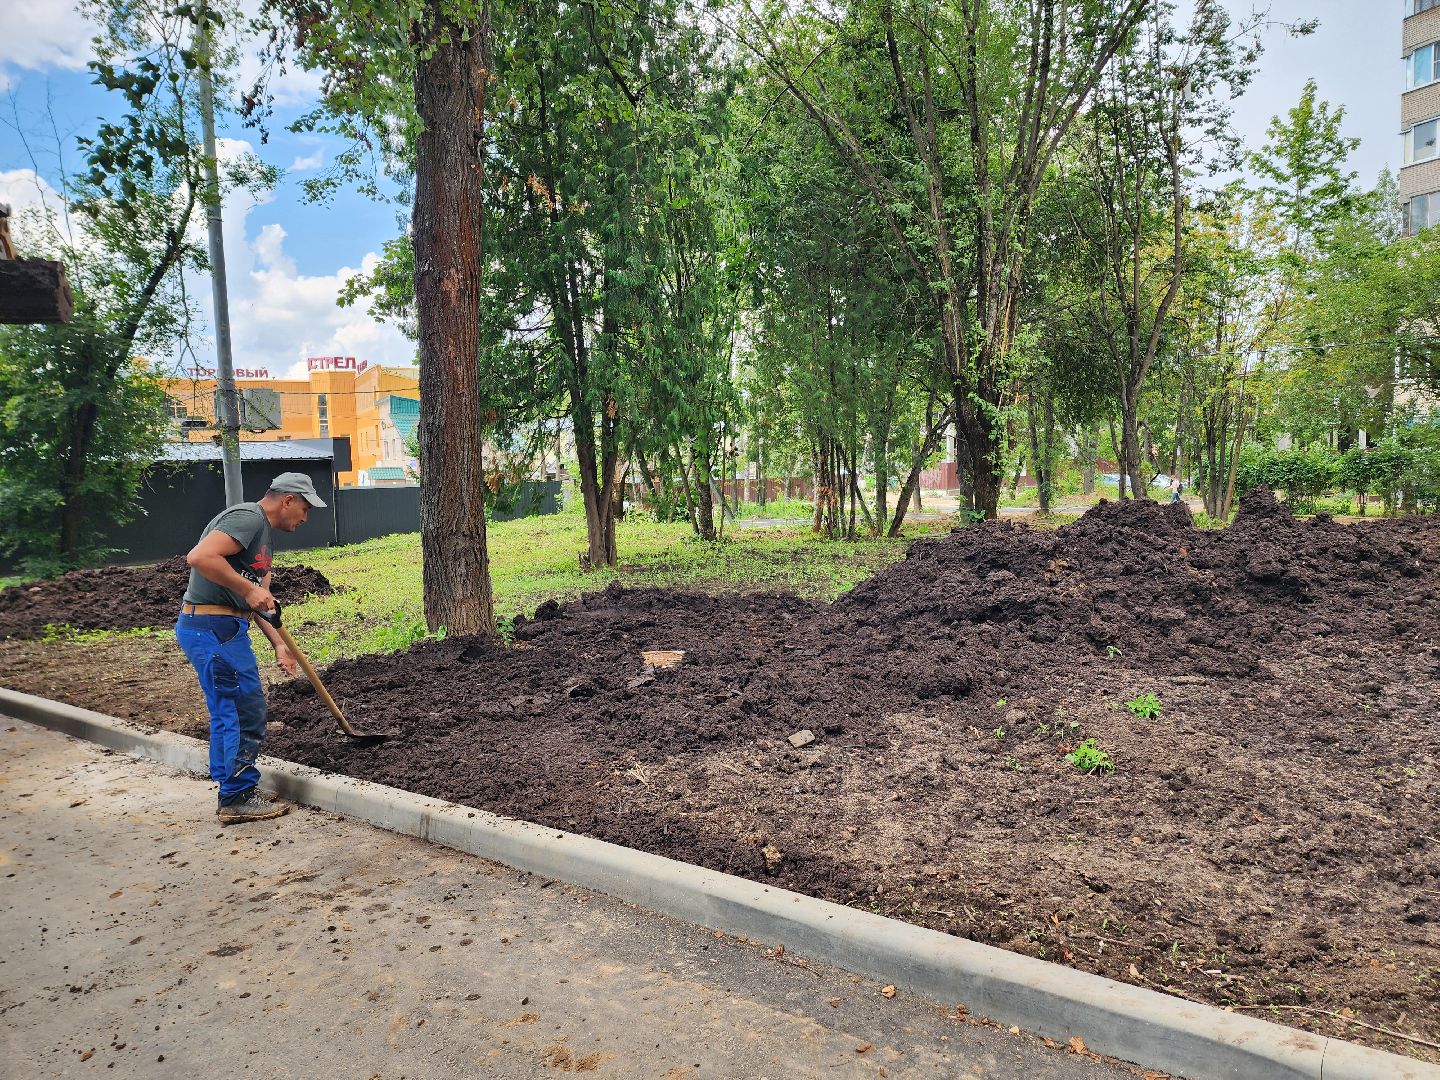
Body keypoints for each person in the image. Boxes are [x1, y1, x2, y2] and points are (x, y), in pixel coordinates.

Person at [175, 473, 325, 824]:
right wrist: (247, 589)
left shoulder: (264, 538)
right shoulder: (247, 518)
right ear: (287, 500)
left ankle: (232, 785)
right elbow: (199, 557)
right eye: (304, 508)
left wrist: (278, 644)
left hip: (229, 627)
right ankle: (236, 796)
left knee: (237, 707)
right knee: (242, 708)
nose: (305, 518)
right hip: (211, 628)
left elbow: (261, 601)